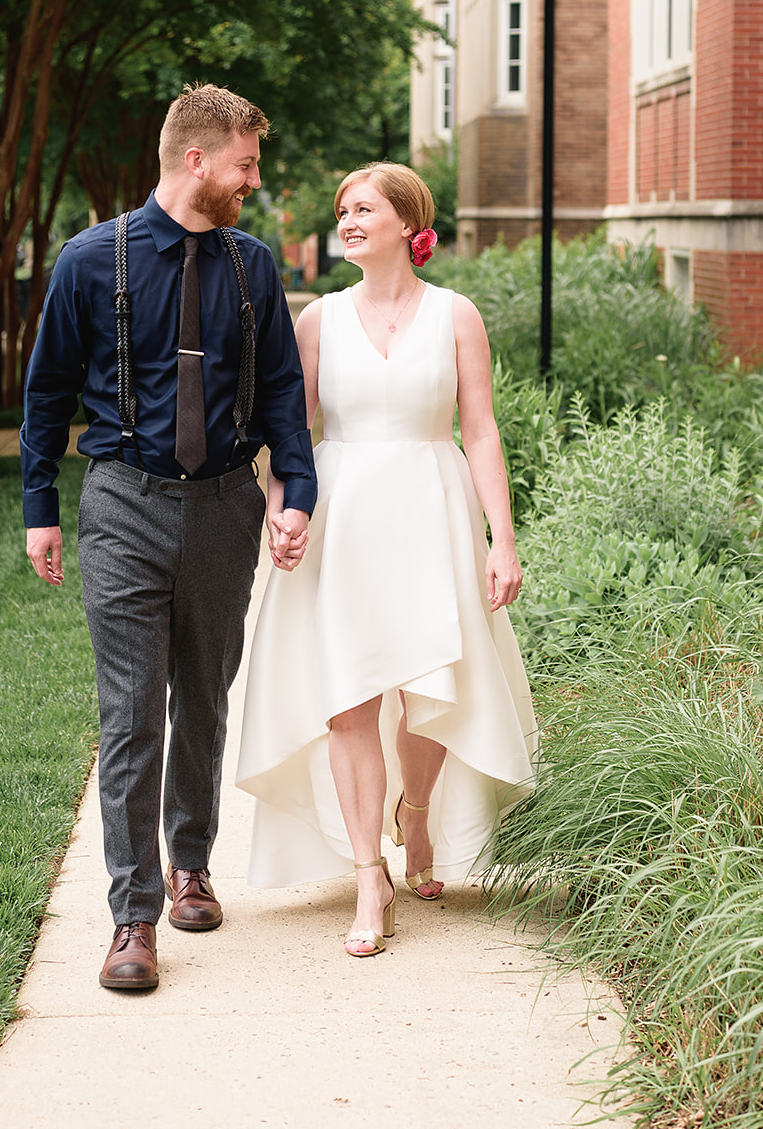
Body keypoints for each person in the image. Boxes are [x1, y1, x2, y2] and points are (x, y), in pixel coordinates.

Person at [21, 84, 316, 992]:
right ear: (198, 161)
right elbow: (45, 394)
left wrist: (294, 490)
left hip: (227, 502)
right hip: (122, 505)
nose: (253, 182)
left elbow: (279, 391)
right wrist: (40, 506)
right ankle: (133, 917)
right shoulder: (86, 261)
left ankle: (192, 861)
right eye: (245, 165)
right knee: (130, 710)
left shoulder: (252, 265)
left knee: (205, 694)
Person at [236, 163, 536, 956]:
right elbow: (291, 435)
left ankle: (417, 815)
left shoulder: (456, 315)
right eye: (343, 210)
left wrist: (502, 538)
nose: (348, 220)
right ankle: (371, 874)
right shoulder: (318, 321)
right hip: (343, 518)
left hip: (434, 510)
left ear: (409, 222)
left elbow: (483, 430)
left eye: (363, 207)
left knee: (429, 677)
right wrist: (281, 510)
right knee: (350, 698)